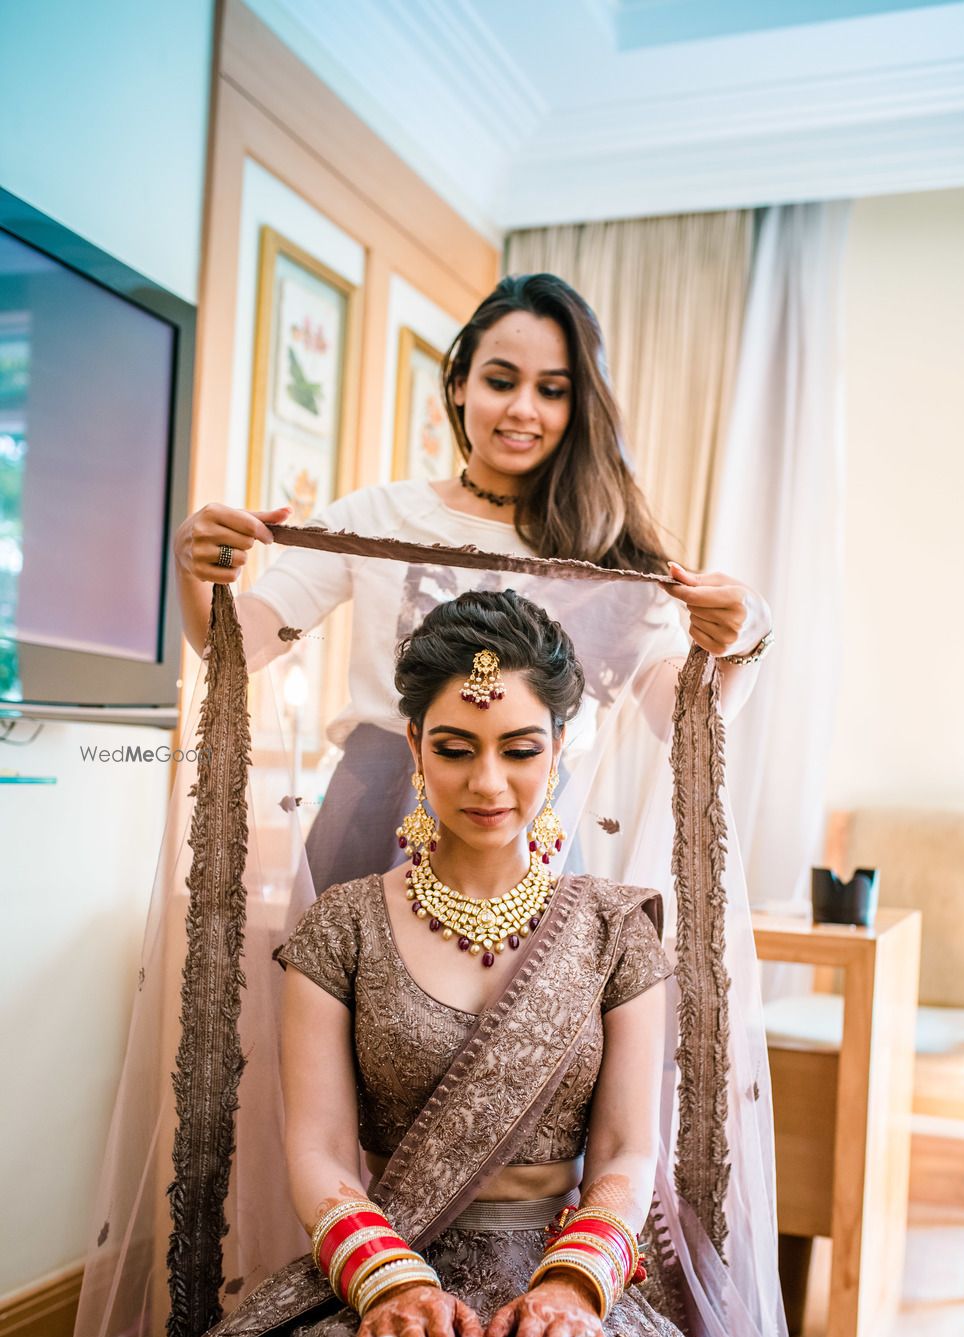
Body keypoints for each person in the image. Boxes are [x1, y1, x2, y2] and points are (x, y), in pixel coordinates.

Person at [103, 589, 871, 1337]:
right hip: (384, 1266)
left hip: (564, 1274)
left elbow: (629, 1150)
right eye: (456, 750)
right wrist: (390, 1287)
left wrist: (575, 1289)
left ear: (562, 746)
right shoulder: (344, 926)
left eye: (520, 749)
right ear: (416, 749)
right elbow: (315, 1151)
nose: (488, 784)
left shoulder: (613, 930)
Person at [171, 273, 773, 890]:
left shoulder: (609, 557)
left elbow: (687, 713)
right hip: (374, 814)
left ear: (579, 406)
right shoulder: (378, 518)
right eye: (501, 381)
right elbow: (233, 647)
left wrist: (746, 640)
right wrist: (193, 569)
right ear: (459, 385)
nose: (522, 408)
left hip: (532, 829)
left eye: (552, 390)